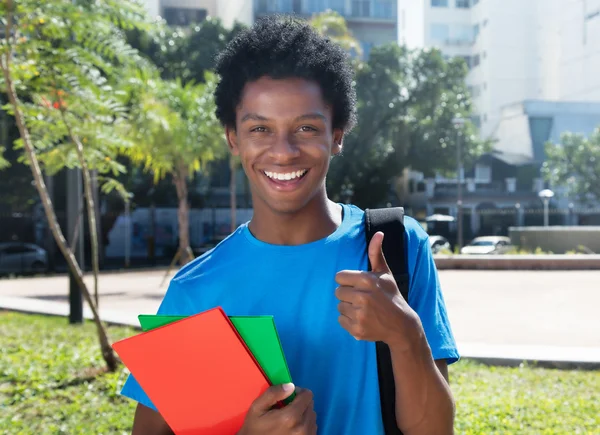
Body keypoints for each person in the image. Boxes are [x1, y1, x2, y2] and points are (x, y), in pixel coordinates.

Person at [120, 15, 459, 435]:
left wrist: (405, 334)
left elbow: (436, 431)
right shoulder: (196, 290)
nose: (283, 152)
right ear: (233, 138)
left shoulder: (395, 247)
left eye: (306, 127)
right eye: (260, 128)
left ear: (337, 135)